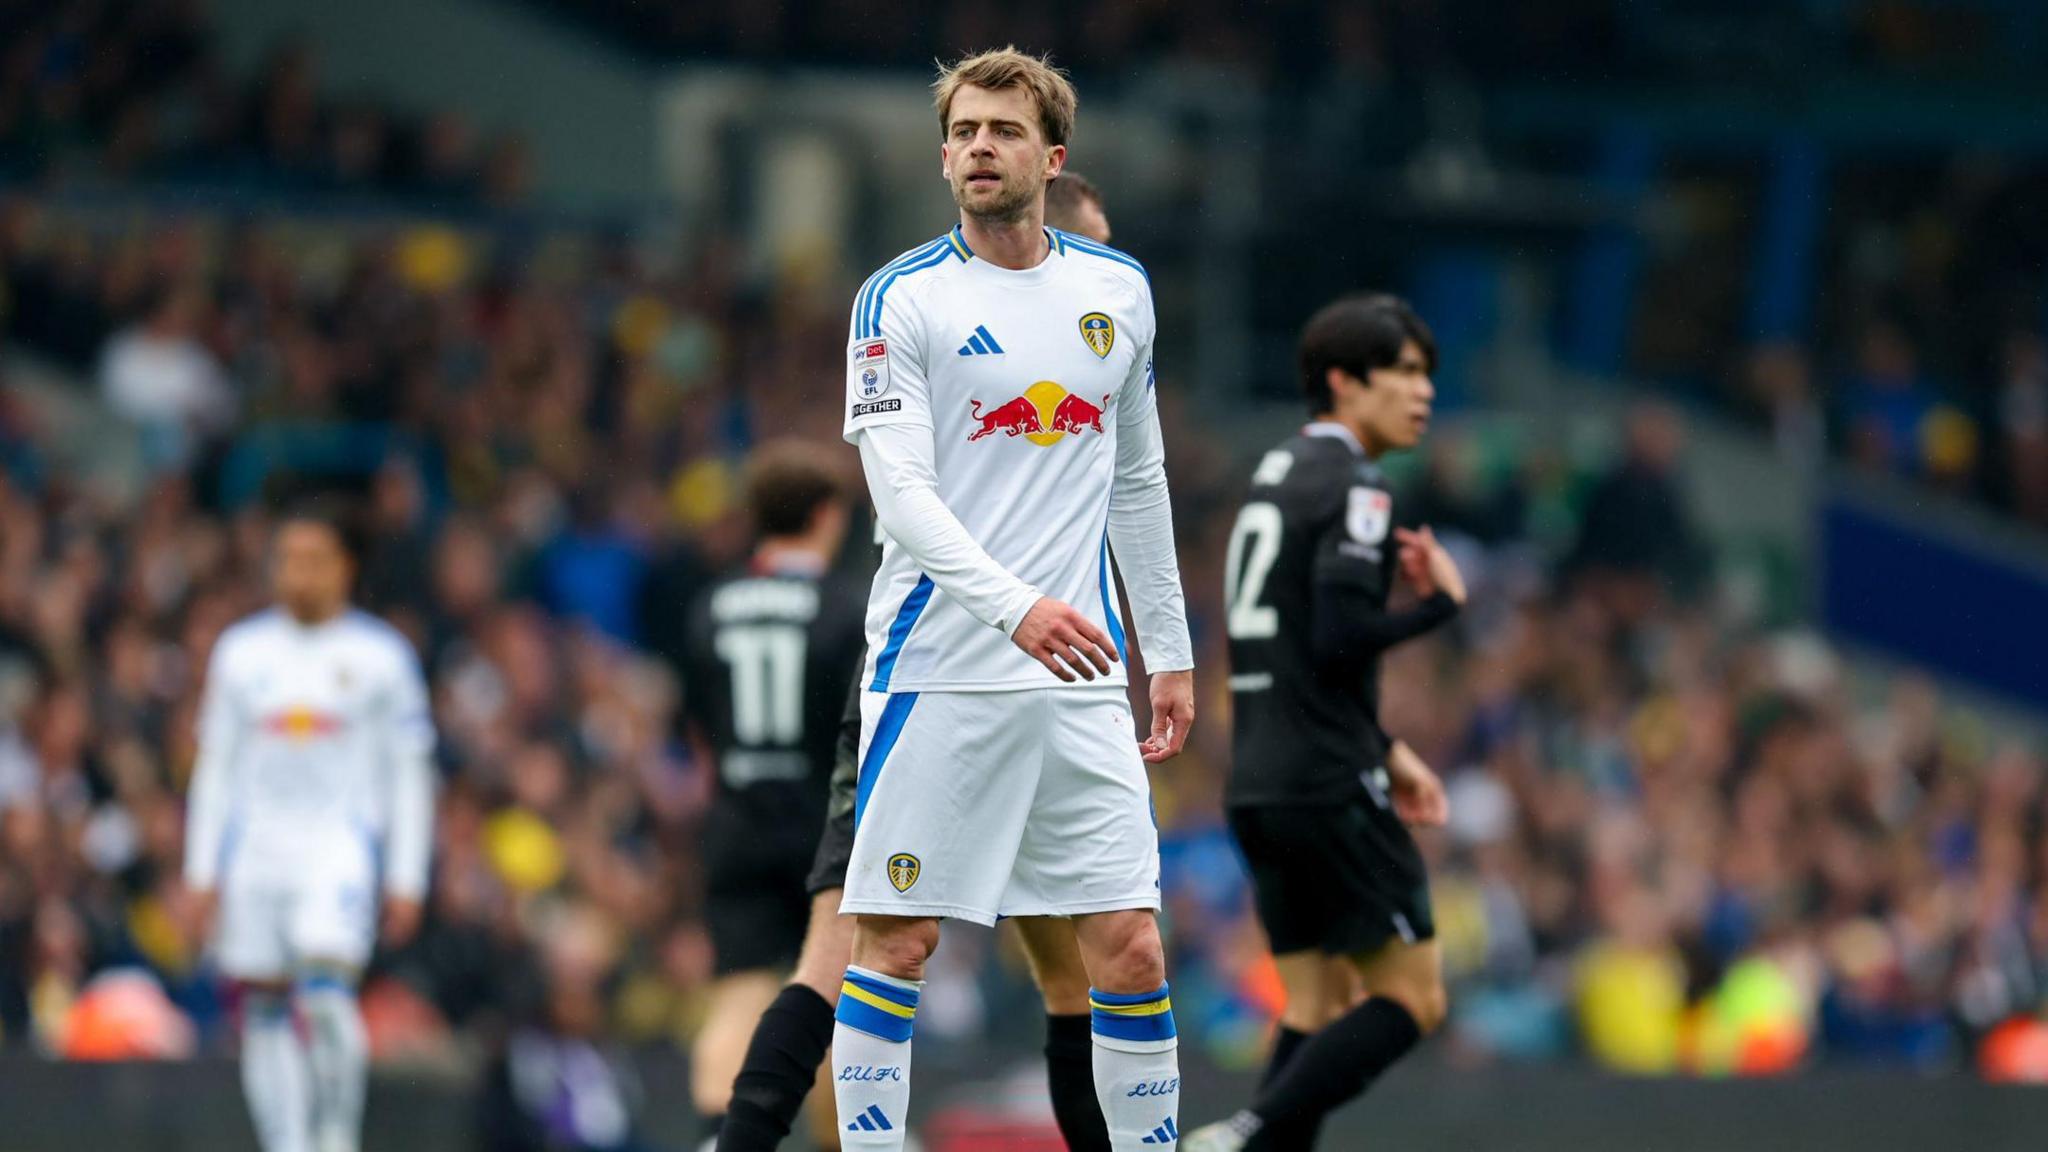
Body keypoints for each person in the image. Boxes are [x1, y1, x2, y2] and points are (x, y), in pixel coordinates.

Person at [715, 168, 1128, 1152]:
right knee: (858, 951)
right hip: (935, 679)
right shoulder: (951, 338)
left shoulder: (1084, 367)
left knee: (1082, 973)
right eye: (1100, 249)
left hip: (1043, 694)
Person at [831, 46, 1195, 1149]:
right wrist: (1014, 608)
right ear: (943, 157)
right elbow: (900, 492)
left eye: (1002, 130)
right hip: (942, 666)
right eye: (964, 132)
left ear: (1052, 155)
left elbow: (1136, 476)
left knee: (1129, 947)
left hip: (1081, 680)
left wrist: (1167, 648)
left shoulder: (1114, 293)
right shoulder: (901, 296)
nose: (980, 147)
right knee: (896, 943)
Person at [1184, 295, 1463, 1152]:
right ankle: (1243, 1131)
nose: (1423, 394)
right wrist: (1439, 606)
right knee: (1413, 998)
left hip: (1262, 779)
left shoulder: (1272, 477)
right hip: (1330, 785)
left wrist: (1390, 745)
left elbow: (1302, 649)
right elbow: (1342, 640)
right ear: (1344, 382)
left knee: (1319, 1004)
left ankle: (1251, 1138)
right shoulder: (1358, 489)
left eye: (1428, 376)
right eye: (1405, 373)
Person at [184, 502, 438, 1152]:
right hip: (257, 854)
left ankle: (335, 1136)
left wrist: (406, 874)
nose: (298, 573)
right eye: (288, 558)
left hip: (337, 848)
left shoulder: (381, 658)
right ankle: (287, 1142)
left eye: (314, 559)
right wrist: (201, 869)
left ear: (346, 568)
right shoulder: (241, 653)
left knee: (325, 993)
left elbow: (410, 774)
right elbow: (216, 767)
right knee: (264, 1009)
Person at [682, 443, 866, 1147]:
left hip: (737, 822)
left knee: (739, 995)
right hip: (827, 828)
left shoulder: (710, 607)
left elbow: (701, 729)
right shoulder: (848, 608)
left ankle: (712, 1138)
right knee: (832, 1002)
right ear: (827, 515)